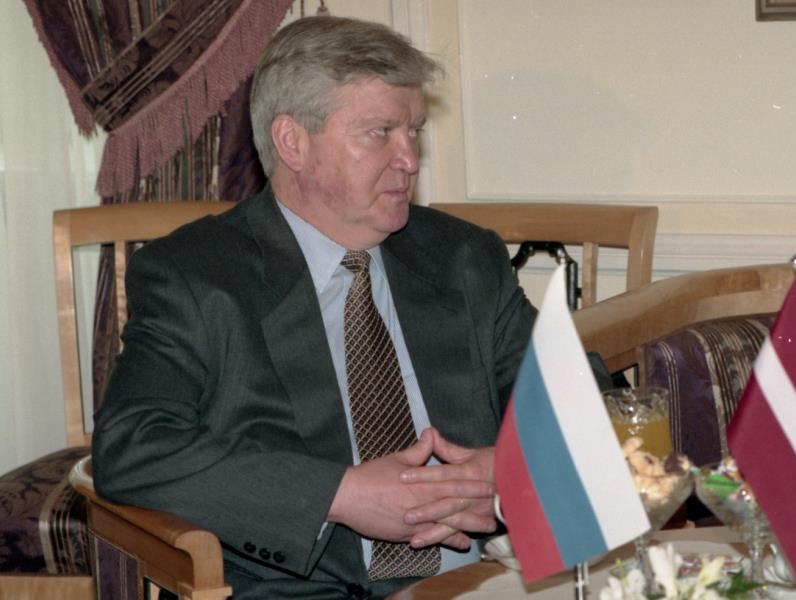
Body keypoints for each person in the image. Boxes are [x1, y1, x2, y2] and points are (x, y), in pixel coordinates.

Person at [92, 15, 537, 600]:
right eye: (379, 133)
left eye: (414, 131)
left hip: (483, 582)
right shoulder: (197, 276)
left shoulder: (463, 258)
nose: (409, 159)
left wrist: (515, 469)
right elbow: (133, 446)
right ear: (292, 142)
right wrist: (340, 495)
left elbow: (585, 401)